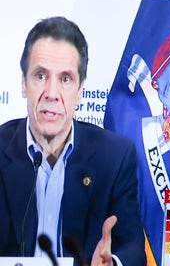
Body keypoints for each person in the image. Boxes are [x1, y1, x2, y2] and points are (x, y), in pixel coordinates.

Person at [0, 16, 145, 265]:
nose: (52, 94)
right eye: (40, 76)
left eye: (65, 79)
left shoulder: (115, 157)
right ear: (24, 83)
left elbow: (133, 249)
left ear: (79, 92)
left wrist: (113, 263)